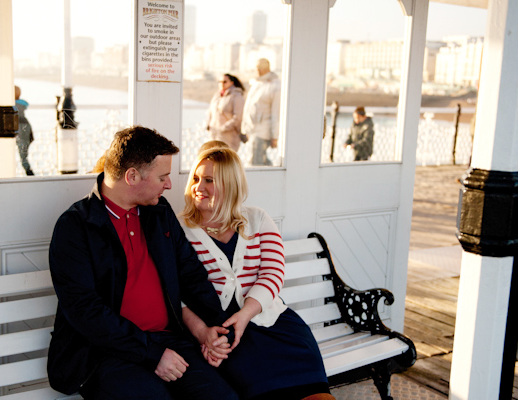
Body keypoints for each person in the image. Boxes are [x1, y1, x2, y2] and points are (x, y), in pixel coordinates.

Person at [48, 126, 238, 400]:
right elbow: (86, 311)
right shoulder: (76, 226)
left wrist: (216, 331)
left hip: (170, 341)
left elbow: (191, 275)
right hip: (105, 353)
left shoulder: (159, 213)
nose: (170, 184)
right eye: (163, 176)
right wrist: (152, 354)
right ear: (132, 176)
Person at [179, 143, 334, 400]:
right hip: (225, 334)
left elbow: (273, 272)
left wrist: (245, 314)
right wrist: (202, 332)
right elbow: (175, 292)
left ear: (230, 185)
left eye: (209, 180)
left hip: (273, 322)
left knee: (316, 395)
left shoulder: (257, 219)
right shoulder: (179, 228)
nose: (198, 186)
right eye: (196, 178)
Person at [241, 58, 281, 166]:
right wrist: (245, 128)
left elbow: (276, 113)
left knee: (256, 162)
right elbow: (249, 107)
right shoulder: (257, 83)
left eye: (261, 67)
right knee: (258, 160)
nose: (258, 70)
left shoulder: (275, 86)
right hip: (253, 130)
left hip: (263, 131)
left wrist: (275, 136)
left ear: (267, 67)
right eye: (257, 67)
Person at [206, 74, 246, 152]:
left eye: (224, 82)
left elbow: (238, 117)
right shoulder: (217, 96)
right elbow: (210, 111)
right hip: (214, 135)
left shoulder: (237, 97)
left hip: (229, 136)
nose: (222, 84)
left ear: (231, 83)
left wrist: (224, 128)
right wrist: (209, 126)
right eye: (220, 82)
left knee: (226, 161)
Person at [14, 85, 34, 175]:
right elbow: (26, 104)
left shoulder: (12, 104)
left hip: (19, 128)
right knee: (24, 152)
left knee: (22, 154)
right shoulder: (22, 104)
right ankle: (29, 171)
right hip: (26, 126)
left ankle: (29, 173)